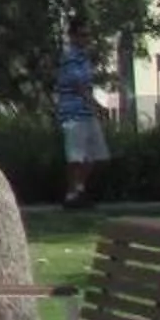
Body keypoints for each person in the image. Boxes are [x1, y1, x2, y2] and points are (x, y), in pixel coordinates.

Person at [56, 32, 111, 208]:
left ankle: (79, 189)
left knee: (95, 154)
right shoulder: (70, 58)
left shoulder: (84, 58)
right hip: (73, 113)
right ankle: (72, 194)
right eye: (83, 34)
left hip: (86, 113)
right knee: (75, 156)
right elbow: (79, 85)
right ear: (74, 36)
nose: (86, 38)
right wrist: (97, 106)